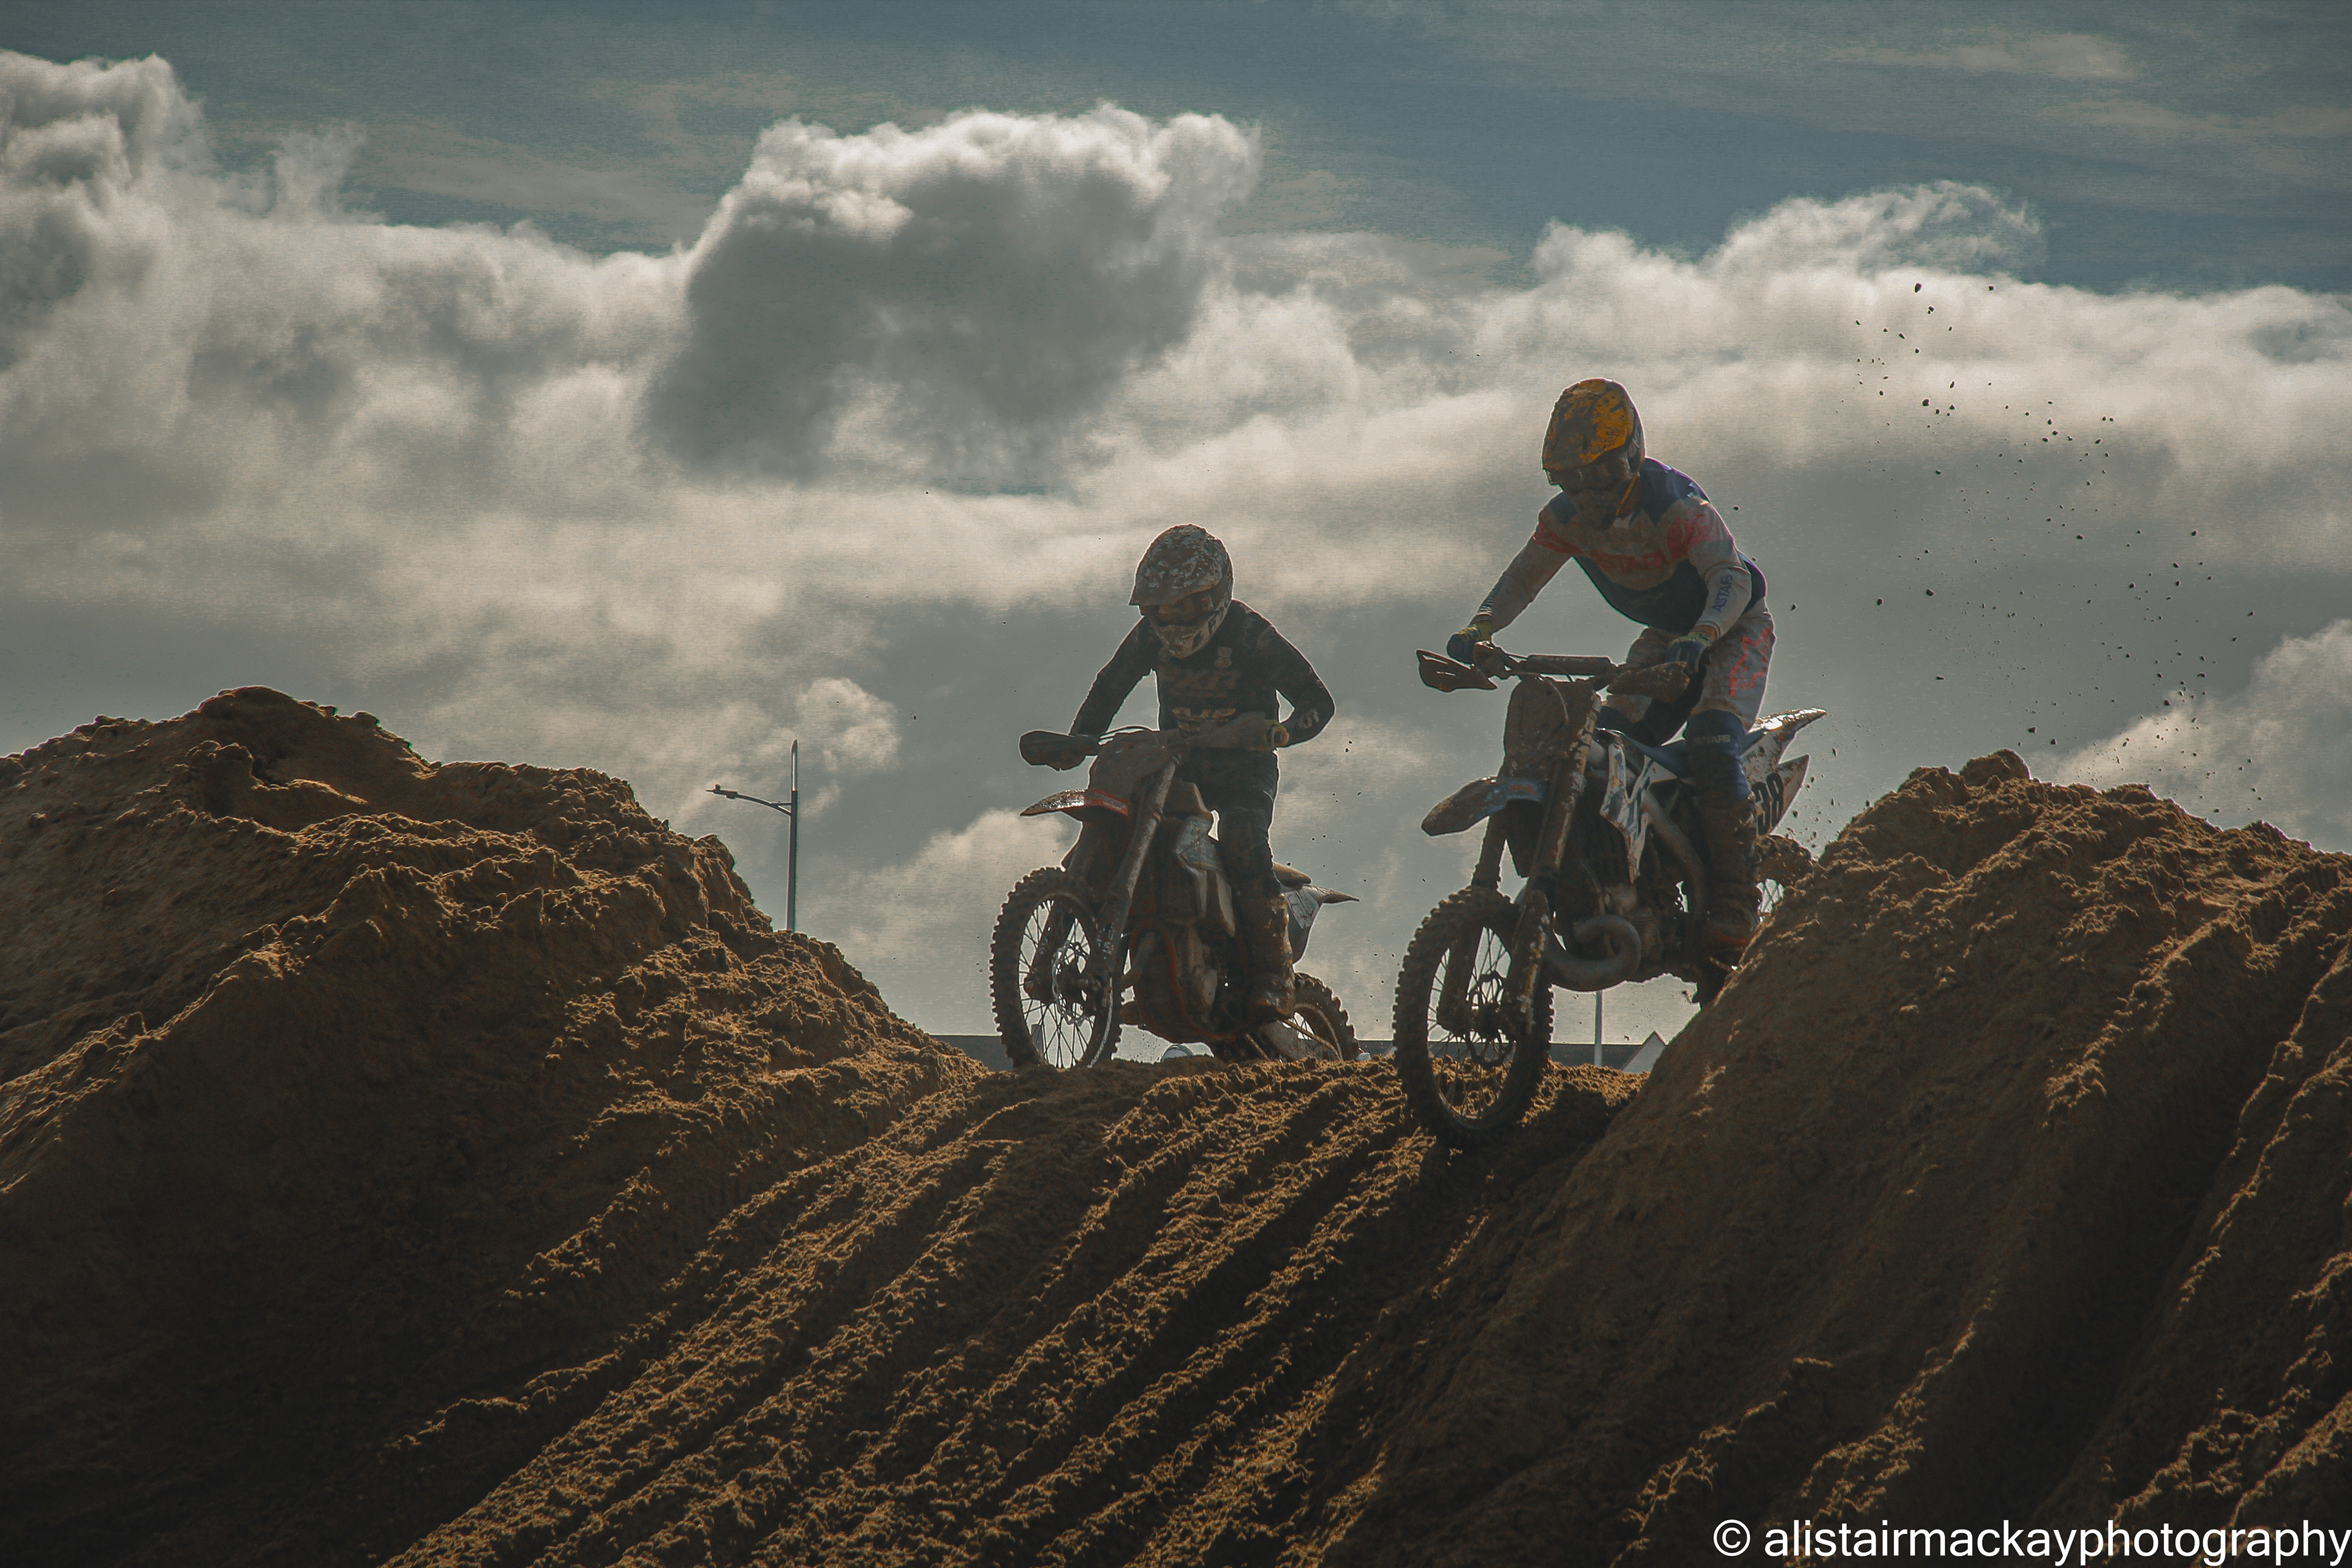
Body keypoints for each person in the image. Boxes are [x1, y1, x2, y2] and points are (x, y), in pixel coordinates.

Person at [1446, 378, 1774, 959]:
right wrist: (1481, 627)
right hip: (1666, 639)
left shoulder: (1675, 505)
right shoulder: (1565, 520)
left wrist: (1703, 635)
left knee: (1711, 740)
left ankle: (1737, 896)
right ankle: (1614, 873)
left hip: (1731, 631)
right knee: (1599, 746)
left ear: (1631, 455)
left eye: (1599, 473)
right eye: (1572, 479)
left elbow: (1731, 577)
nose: (1588, 491)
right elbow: (1522, 578)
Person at [1032, 525, 1333, 1022]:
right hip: (1177, 762)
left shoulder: (1250, 633)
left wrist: (1281, 733)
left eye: (1184, 606)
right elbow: (1109, 688)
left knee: (1242, 840)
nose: (1172, 620)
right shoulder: (1148, 637)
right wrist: (1080, 740)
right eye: (1162, 609)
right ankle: (1101, 952)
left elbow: (1318, 700)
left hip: (1244, 766)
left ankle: (1275, 975)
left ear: (1215, 597)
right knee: (1120, 828)